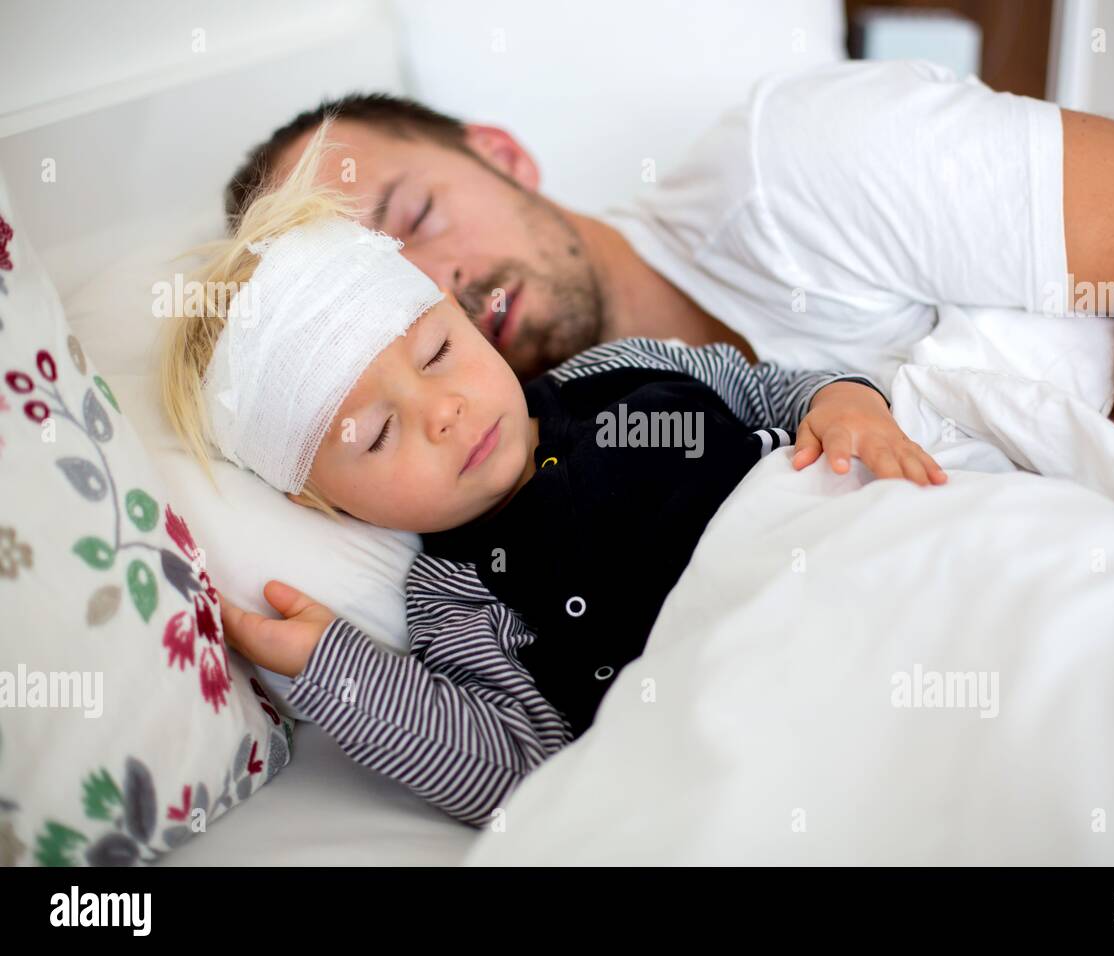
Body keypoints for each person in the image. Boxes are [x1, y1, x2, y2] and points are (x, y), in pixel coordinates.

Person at [162, 124, 943, 827]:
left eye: (438, 353)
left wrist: (846, 403)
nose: (442, 412)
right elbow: (513, 767)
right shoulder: (460, 594)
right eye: (377, 435)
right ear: (325, 504)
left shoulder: (622, 369)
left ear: (461, 319)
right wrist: (338, 672)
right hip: (769, 708)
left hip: (885, 575)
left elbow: (771, 389)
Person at [225, 60, 1114, 452]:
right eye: (374, 287)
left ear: (499, 155)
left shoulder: (792, 165)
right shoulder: (564, 471)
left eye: (415, 216)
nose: (435, 287)